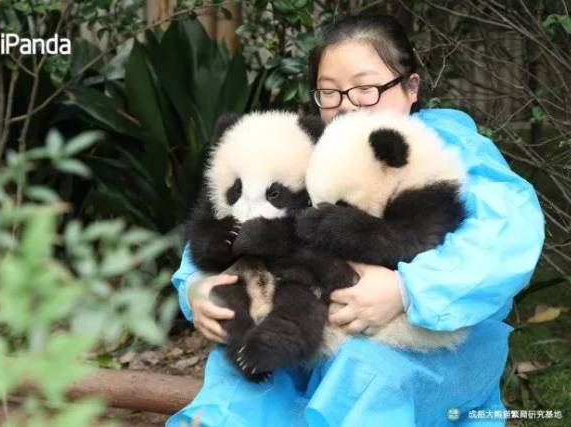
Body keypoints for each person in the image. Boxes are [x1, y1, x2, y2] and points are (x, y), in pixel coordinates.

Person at [166, 13, 545, 427]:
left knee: (367, 373)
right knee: (239, 375)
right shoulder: (308, 146)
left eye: (366, 88)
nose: (347, 104)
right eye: (329, 92)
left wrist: (408, 289)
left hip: (429, 351)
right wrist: (199, 290)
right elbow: (237, 221)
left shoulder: (448, 148)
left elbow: (507, 238)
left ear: (410, 86)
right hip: (308, 331)